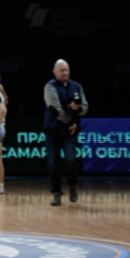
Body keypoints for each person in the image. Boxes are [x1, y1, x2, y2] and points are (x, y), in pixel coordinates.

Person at [44, 59, 88, 206]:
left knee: (70, 160)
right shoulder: (50, 87)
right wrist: (72, 122)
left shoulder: (77, 87)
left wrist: (78, 109)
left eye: (66, 70)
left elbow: (85, 107)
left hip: (69, 132)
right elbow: (56, 111)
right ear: (54, 72)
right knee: (52, 164)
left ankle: (73, 185)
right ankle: (56, 193)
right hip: (53, 131)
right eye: (61, 70)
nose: (64, 73)